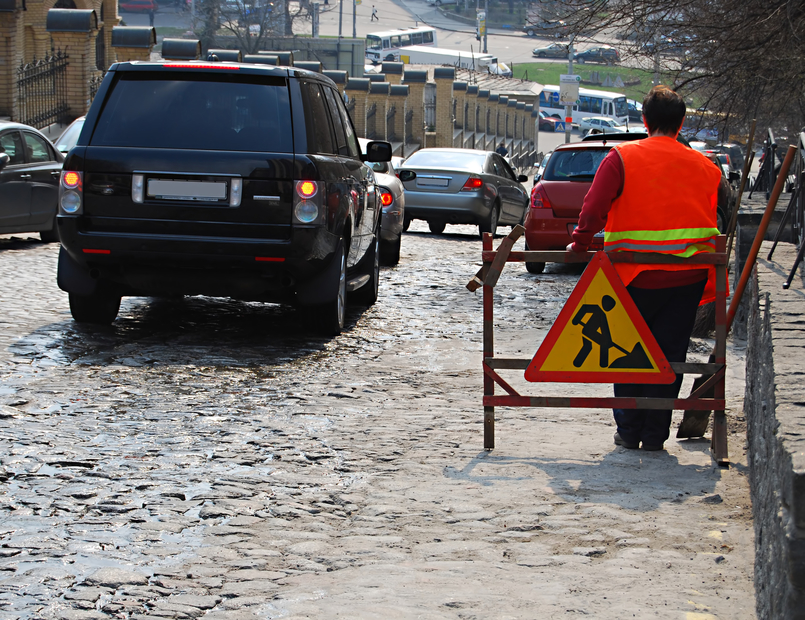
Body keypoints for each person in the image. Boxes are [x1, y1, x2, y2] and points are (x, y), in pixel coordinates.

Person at [566, 85, 722, 452]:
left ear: (644, 120)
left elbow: (592, 209)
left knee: (627, 350)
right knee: (670, 355)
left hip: (633, 276)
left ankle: (629, 430)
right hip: (688, 276)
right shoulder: (707, 168)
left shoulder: (621, 158)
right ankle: (655, 435)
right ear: (682, 123)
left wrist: (581, 243)